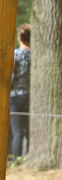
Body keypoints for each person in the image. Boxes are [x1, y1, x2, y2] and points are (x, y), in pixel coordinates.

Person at [7, 23, 31, 159]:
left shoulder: (16, 54)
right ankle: (28, 157)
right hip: (30, 97)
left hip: (15, 96)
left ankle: (16, 159)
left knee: (17, 131)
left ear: (20, 37)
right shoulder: (36, 56)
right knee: (28, 130)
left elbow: (11, 74)